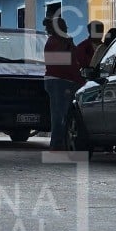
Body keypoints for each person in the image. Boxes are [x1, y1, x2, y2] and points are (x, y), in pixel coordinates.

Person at [43, 15, 82, 150]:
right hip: (59, 81)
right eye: (64, 26)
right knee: (59, 115)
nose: (67, 28)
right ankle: (56, 144)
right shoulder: (54, 42)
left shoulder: (61, 41)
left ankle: (60, 143)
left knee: (63, 114)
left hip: (62, 81)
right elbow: (65, 64)